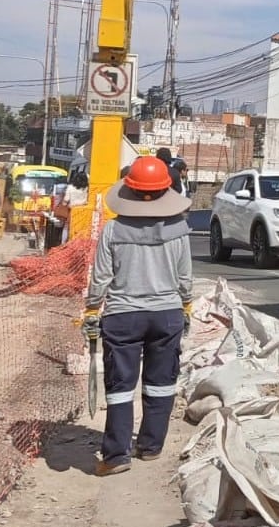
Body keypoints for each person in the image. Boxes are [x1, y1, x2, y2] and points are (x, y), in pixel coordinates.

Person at [81, 156, 194, 476]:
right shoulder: (178, 229)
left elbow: (101, 277)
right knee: (161, 382)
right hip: (166, 315)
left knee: (120, 387)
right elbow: (185, 277)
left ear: (129, 190)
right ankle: (150, 446)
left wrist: (92, 308)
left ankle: (116, 456)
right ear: (165, 191)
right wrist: (186, 305)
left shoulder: (113, 229)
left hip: (122, 316)